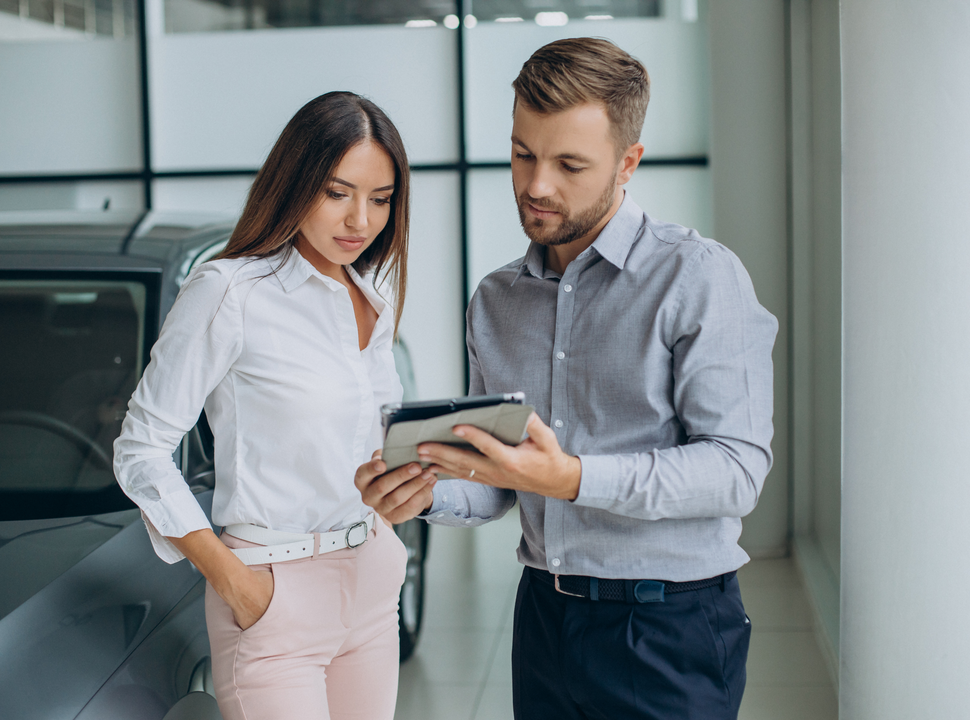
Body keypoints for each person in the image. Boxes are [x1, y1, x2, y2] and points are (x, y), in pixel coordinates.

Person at [356, 38, 778, 720]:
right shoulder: (497, 302)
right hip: (544, 617)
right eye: (523, 153)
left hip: (666, 625)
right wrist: (420, 495)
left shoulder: (699, 278)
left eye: (569, 164)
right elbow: (495, 488)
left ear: (627, 164)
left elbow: (736, 470)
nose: (536, 184)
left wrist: (574, 478)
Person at [114, 91, 430, 720]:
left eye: (380, 198)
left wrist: (409, 493)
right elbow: (141, 450)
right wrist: (235, 581)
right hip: (272, 590)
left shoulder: (372, 293)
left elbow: (375, 440)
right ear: (295, 183)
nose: (360, 220)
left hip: (370, 580)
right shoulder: (229, 291)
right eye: (338, 192)